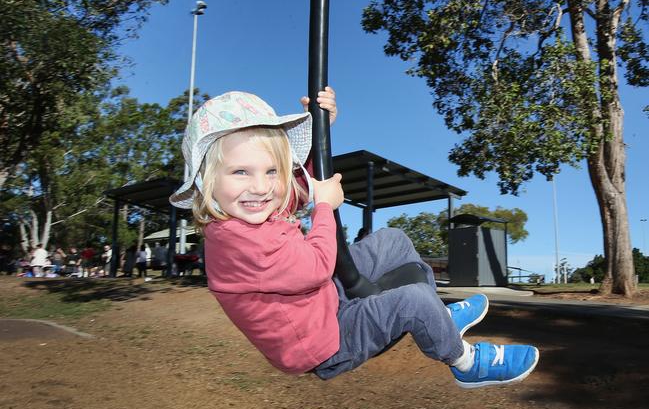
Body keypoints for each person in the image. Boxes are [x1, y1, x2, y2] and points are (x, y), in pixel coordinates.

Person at [169, 89, 539, 388]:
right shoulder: (235, 241)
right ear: (206, 182)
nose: (262, 186)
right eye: (240, 171)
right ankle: (465, 361)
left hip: (324, 300)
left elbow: (301, 187)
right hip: (324, 343)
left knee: (393, 240)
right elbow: (316, 265)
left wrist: (321, 131)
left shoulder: (252, 207)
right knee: (411, 301)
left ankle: (437, 316)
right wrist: (324, 208)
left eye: (271, 170)